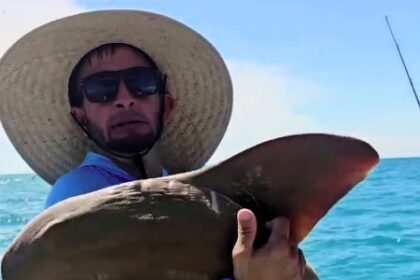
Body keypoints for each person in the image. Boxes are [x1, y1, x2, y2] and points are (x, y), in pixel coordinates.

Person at [0, 10, 310, 280]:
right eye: (101, 88)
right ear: (80, 118)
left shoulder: (205, 197)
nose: (124, 99)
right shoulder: (79, 191)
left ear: (167, 107)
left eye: (141, 83)